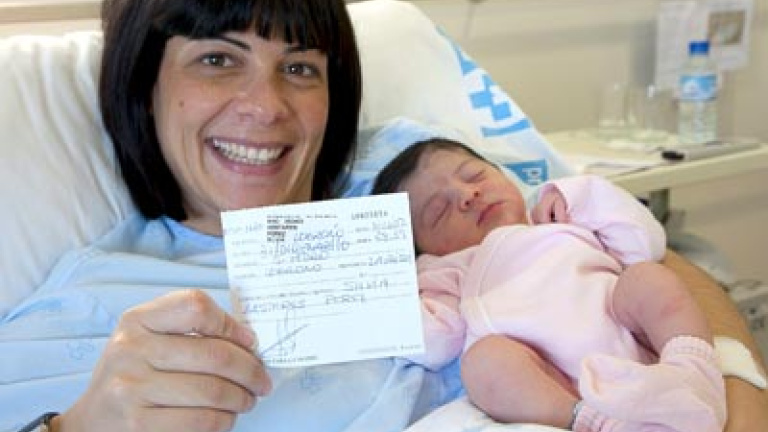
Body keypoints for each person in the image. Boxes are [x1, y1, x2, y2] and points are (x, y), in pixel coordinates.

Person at [1, 0, 766, 431]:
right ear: (143, 89)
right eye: (217, 58)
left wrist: (734, 392)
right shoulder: (92, 295)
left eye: (299, 67)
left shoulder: (396, 186)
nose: (266, 106)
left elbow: (638, 261)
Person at [370, 137, 728, 431]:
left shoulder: (556, 217)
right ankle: (596, 423)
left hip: (631, 335)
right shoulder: (449, 269)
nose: (467, 195)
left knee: (647, 278)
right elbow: (434, 343)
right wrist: (393, 287)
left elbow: (644, 241)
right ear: (425, 249)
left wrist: (577, 196)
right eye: (439, 211)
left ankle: (692, 372)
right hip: (557, 383)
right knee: (483, 361)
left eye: (474, 175)